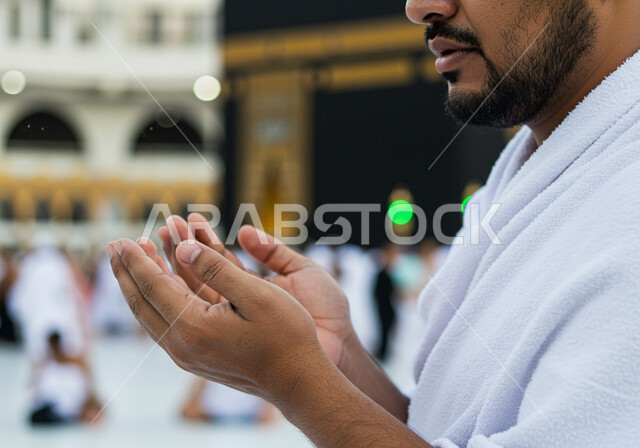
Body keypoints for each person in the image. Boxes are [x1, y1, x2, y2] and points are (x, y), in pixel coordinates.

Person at [106, 1, 640, 446]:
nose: (419, 7)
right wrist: (339, 361)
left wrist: (293, 378)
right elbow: (453, 428)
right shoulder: (536, 159)